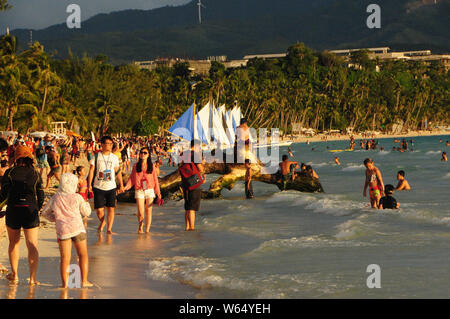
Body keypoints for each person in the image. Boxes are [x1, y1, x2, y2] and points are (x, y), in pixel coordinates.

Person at [0, 145, 45, 285]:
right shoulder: (35, 173)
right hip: (30, 211)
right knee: (32, 245)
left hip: (13, 210)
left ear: (16, 157)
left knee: (14, 243)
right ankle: (32, 278)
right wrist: (37, 208)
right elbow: (41, 194)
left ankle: (15, 274)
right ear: (29, 157)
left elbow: (3, 194)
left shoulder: (9, 172)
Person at [41, 173, 93, 288]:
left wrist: (55, 219)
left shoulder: (56, 198)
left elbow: (44, 212)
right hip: (77, 228)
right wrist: (86, 202)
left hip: (63, 230)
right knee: (83, 254)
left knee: (65, 258)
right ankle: (84, 281)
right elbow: (87, 212)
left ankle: (65, 284)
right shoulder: (77, 197)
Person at [88, 136, 124, 234]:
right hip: (98, 186)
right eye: (107, 143)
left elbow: (118, 171)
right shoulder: (96, 156)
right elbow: (91, 170)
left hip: (111, 186)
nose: (109, 146)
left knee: (111, 209)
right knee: (99, 210)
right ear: (102, 144)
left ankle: (109, 229)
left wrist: (121, 184)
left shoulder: (114, 157)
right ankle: (103, 221)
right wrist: (89, 185)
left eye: (110, 144)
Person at [124, 147, 161, 234]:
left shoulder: (152, 166)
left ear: (148, 155)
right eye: (141, 152)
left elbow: (155, 180)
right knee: (140, 211)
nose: (143, 154)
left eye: (145, 153)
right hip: (139, 190)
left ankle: (147, 229)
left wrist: (158, 193)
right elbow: (132, 179)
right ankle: (140, 225)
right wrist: (125, 188)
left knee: (149, 210)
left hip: (150, 190)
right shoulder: (136, 166)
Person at [179, 140, 205, 231]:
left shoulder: (184, 154)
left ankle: (187, 227)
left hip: (185, 182)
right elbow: (200, 169)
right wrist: (202, 164)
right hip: (195, 183)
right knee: (192, 208)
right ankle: (192, 228)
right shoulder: (196, 154)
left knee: (187, 207)